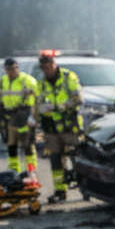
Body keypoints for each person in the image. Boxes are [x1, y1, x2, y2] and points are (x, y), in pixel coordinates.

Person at [36, 54, 83, 203]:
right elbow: (37, 105)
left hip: (70, 126)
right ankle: (60, 190)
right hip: (51, 128)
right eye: (44, 68)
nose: (46, 70)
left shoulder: (69, 77)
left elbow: (78, 98)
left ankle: (85, 188)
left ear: (54, 64)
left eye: (49, 66)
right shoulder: (41, 84)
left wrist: (62, 106)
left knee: (77, 157)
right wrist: (41, 109)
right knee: (55, 160)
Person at [0, 57, 38, 174]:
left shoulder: (27, 80)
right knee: (11, 144)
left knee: (27, 145)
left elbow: (38, 97)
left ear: (17, 68)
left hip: (24, 116)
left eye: (13, 68)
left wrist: (34, 115)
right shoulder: (2, 81)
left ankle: (31, 169)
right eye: (8, 69)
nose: (11, 71)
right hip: (10, 117)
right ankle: (13, 169)